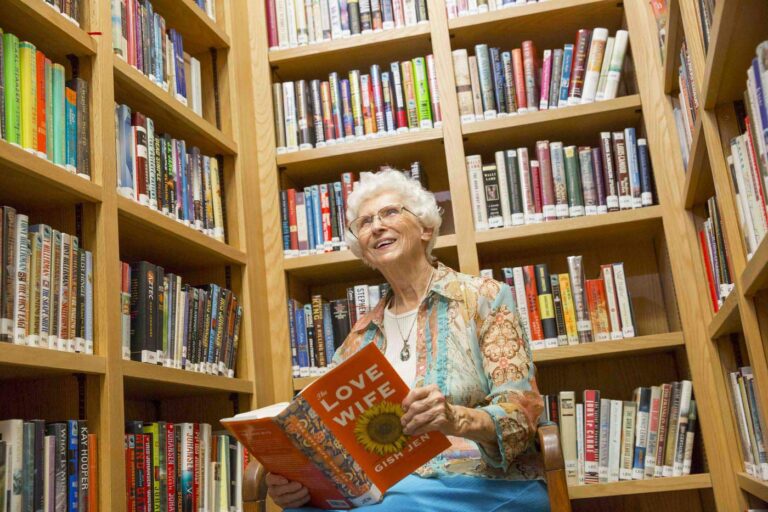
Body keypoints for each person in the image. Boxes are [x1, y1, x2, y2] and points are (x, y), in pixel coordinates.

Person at [267, 170, 549, 511]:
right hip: (387, 492)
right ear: (364, 251)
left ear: (426, 229)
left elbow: (522, 415)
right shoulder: (358, 340)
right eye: (365, 222)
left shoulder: (484, 299)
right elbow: (336, 445)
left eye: (390, 213)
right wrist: (300, 480)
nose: (377, 226)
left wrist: (455, 419)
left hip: (481, 482)